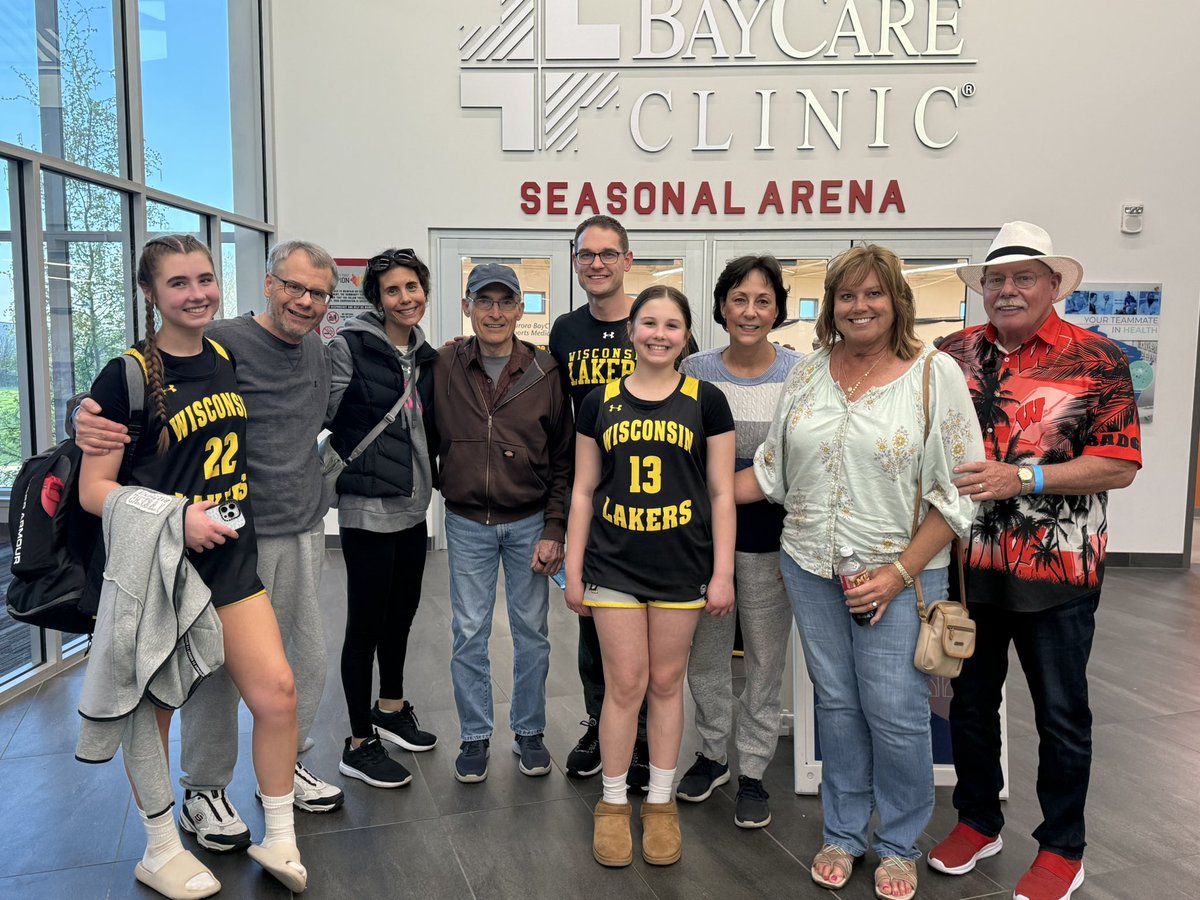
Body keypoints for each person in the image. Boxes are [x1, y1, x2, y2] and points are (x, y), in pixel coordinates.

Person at [74, 240, 344, 852]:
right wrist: (82, 418)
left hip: (271, 533)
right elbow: (116, 424)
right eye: (294, 287)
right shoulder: (211, 344)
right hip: (185, 552)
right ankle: (198, 797)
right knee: (193, 686)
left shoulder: (306, 354)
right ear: (269, 284)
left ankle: (283, 783)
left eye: (318, 293)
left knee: (292, 670)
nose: (305, 301)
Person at [737, 244, 983, 899]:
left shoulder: (935, 375)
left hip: (900, 577)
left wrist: (899, 572)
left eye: (874, 293)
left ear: (897, 300)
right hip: (810, 567)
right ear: (832, 306)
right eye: (847, 295)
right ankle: (844, 833)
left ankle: (899, 842)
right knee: (838, 704)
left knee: (898, 712)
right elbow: (771, 469)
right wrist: (680, 494)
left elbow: (957, 493)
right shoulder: (809, 373)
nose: (860, 306)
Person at [931, 222, 1141, 900]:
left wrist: (1024, 480)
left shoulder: (1098, 357)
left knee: (1060, 713)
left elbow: (1119, 464)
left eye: (1025, 277)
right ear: (983, 289)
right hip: (969, 568)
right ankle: (979, 819)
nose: (1009, 289)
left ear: (1054, 286)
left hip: (1060, 575)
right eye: (997, 279)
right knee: (969, 703)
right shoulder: (950, 355)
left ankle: (1063, 848)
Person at [565, 285, 736, 868]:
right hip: (612, 566)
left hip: (682, 566)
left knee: (666, 684)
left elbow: (721, 492)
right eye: (649, 323)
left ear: (687, 335)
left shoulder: (706, 399)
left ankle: (659, 804)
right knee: (624, 686)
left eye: (671, 325)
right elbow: (584, 490)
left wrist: (722, 574)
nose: (659, 334)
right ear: (631, 330)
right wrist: (573, 568)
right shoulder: (598, 400)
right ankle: (613, 804)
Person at [674, 255, 800, 829]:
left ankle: (753, 768)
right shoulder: (693, 367)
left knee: (766, 658)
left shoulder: (801, 373)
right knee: (705, 653)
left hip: (773, 537)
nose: (750, 312)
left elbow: (794, 461)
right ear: (722, 306)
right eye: (739, 299)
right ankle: (712, 753)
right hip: (699, 538)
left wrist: (726, 489)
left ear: (777, 308)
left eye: (763, 300)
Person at [435, 263, 573, 784]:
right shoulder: (444, 361)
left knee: (531, 633)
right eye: (483, 301)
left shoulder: (544, 371)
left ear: (520, 309)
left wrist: (554, 528)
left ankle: (530, 730)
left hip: (529, 521)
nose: (495, 312)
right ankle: (474, 736)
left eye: (505, 301)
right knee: (468, 631)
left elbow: (563, 457)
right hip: (467, 521)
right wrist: (452, 477)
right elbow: (426, 430)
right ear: (467, 306)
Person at [324, 248, 439, 789]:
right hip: (367, 507)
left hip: (414, 504)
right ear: (377, 298)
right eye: (392, 290)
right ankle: (357, 742)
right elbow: (318, 409)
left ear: (425, 290)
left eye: (412, 287)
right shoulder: (348, 348)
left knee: (402, 613)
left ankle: (390, 708)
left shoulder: (427, 356)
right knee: (364, 625)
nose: (405, 297)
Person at [548, 215, 646, 788]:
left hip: (656, 503)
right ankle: (600, 725)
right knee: (594, 627)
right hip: (594, 501)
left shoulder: (654, 319)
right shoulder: (565, 331)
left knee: (650, 635)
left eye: (609, 254)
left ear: (628, 260)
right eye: (587, 255)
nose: (598, 264)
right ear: (576, 262)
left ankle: (640, 745)